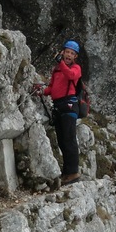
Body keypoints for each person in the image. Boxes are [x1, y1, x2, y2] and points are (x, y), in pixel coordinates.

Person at [34, 40, 83, 185]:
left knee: (69, 139)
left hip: (69, 106)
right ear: (63, 52)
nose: (69, 55)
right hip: (59, 106)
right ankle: (67, 173)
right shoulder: (56, 70)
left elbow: (71, 76)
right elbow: (52, 88)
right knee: (62, 140)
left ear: (75, 56)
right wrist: (41, 91)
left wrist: (61, 62)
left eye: (72, 53)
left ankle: (73, 172)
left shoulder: (76, 68)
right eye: (67, 52)